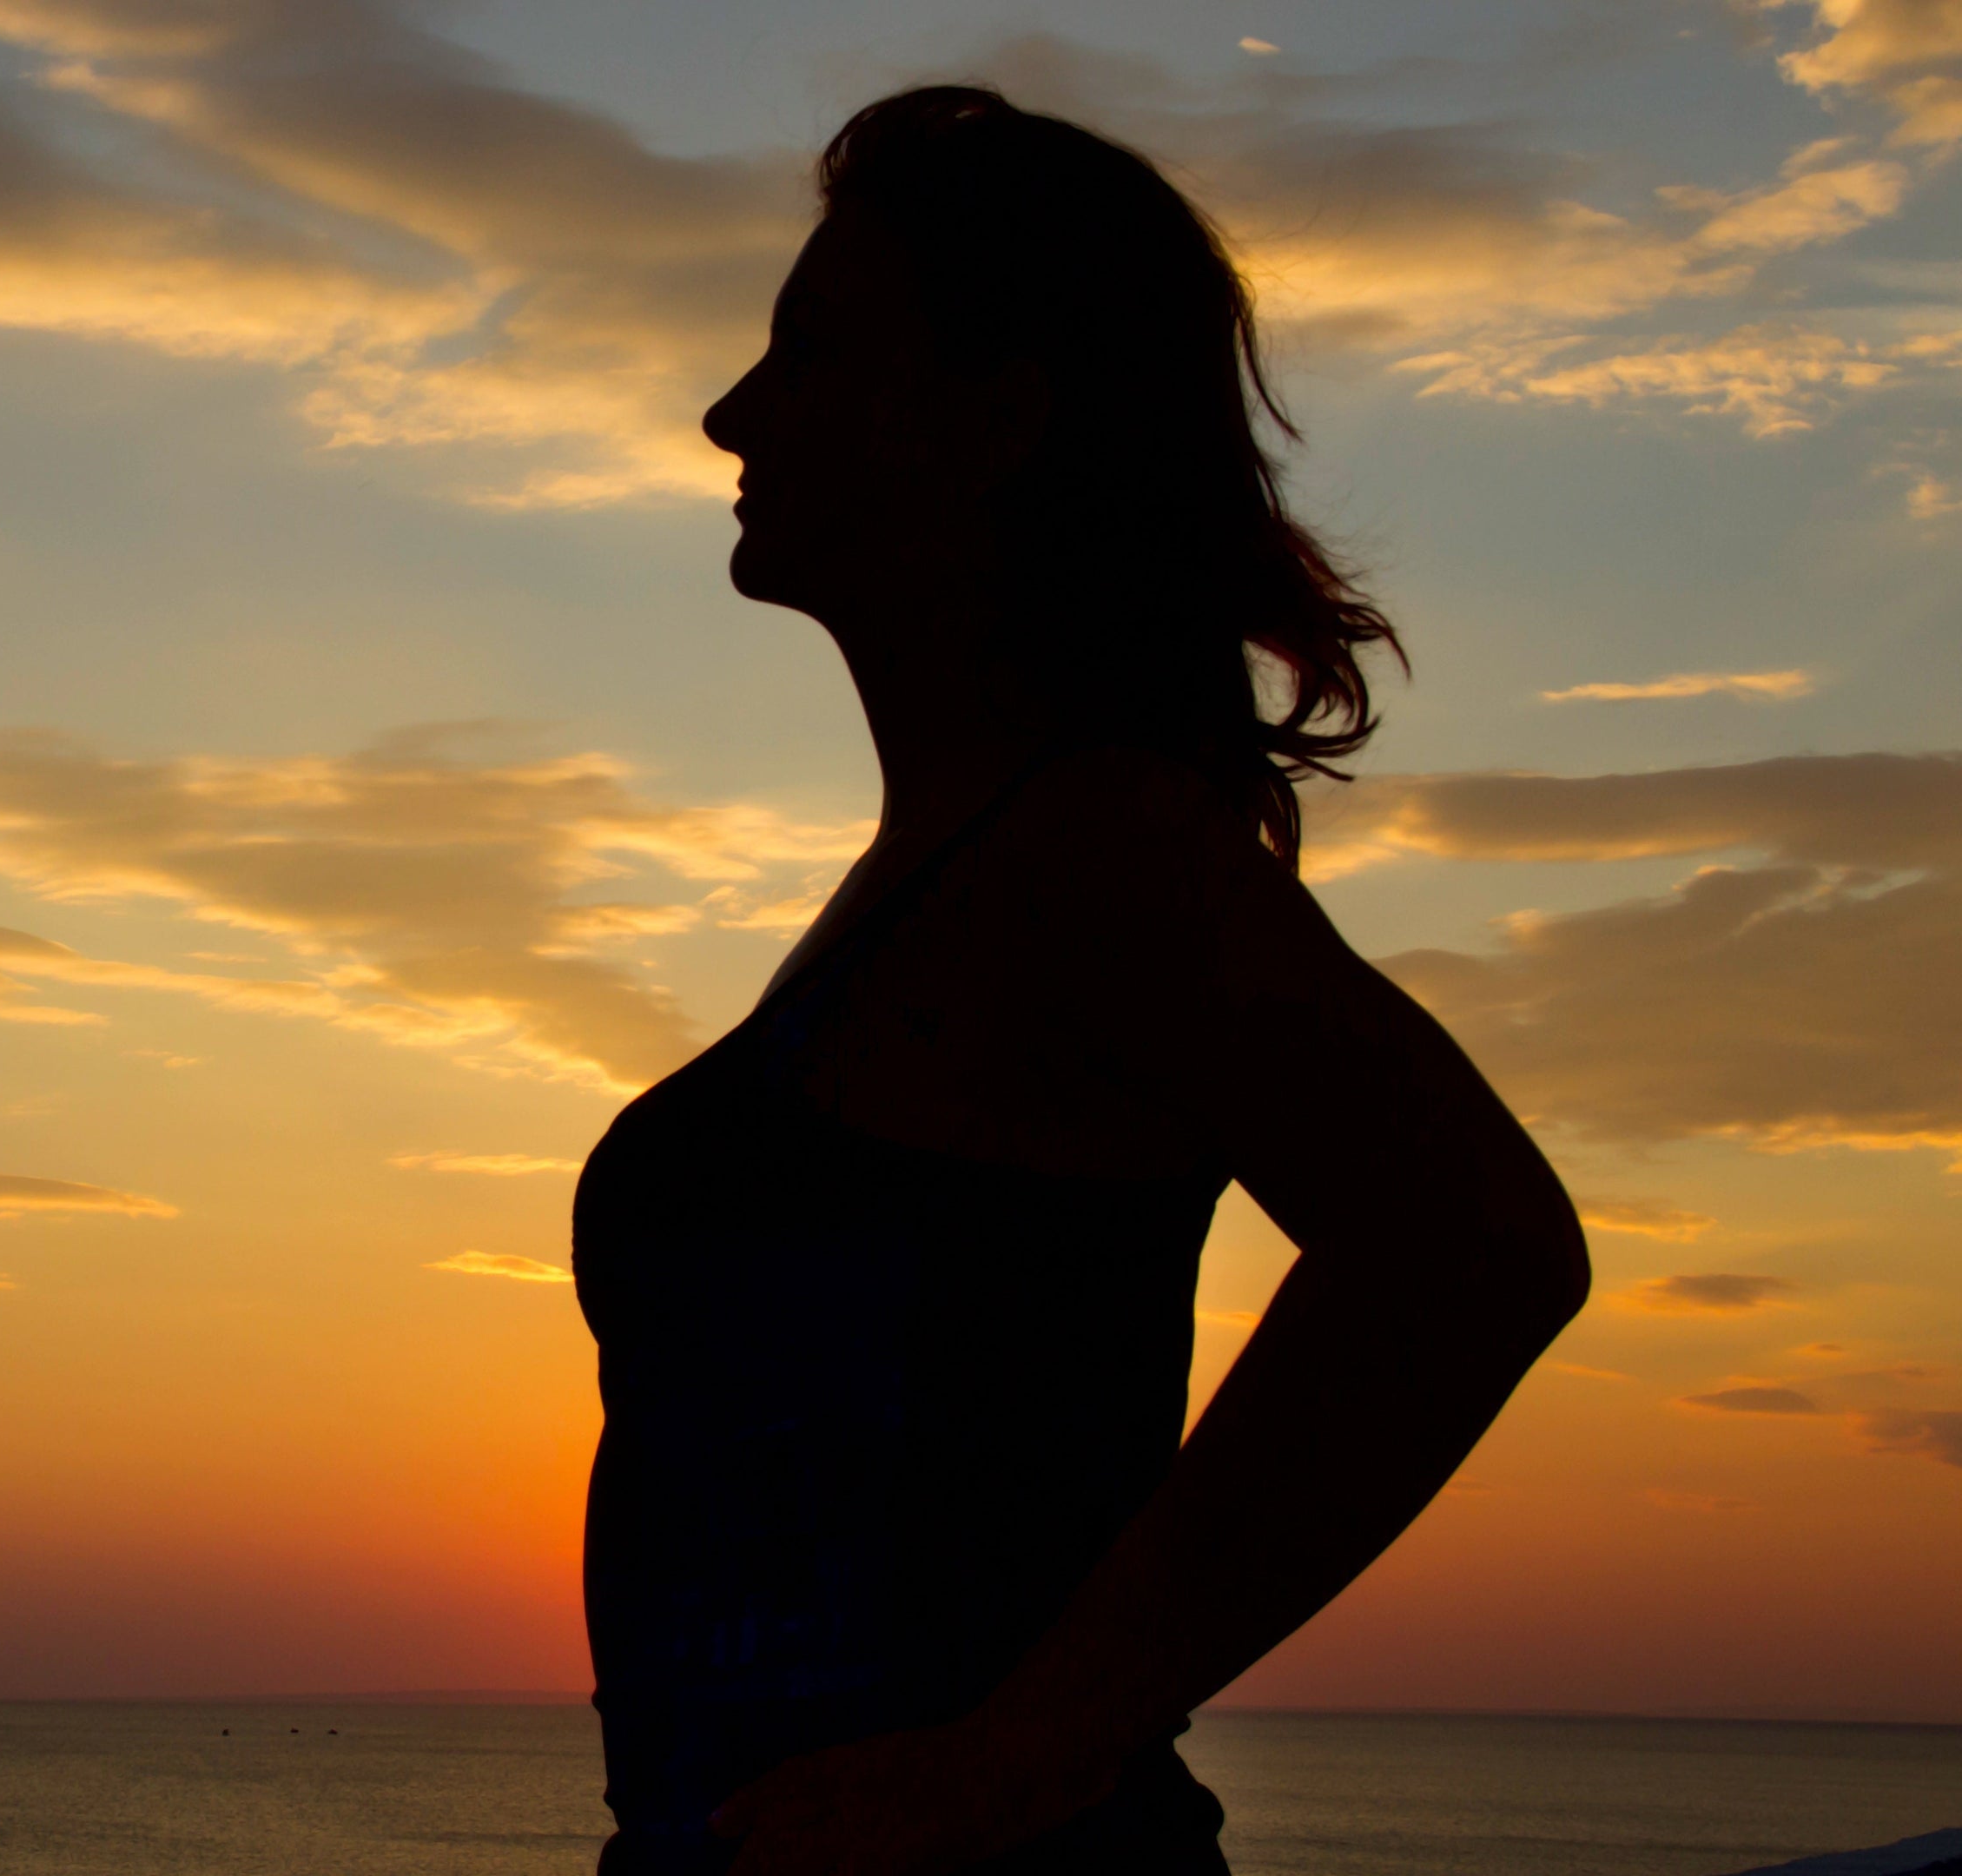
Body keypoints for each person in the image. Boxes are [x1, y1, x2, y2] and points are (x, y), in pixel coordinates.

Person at [571, 87, 1592, 1875]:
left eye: (810, 353)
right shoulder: (953, 870)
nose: (733, 412)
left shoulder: (1094, 854)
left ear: (993, 416)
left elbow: (1475, 1248)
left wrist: (1016, 1759)